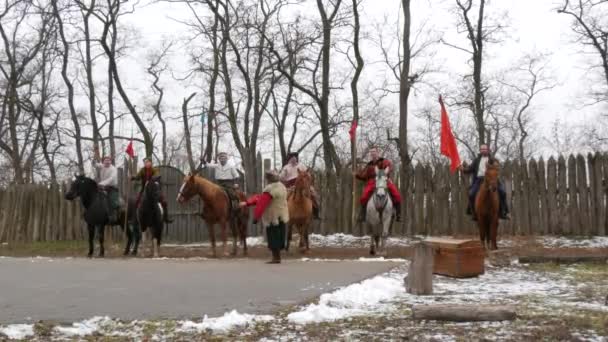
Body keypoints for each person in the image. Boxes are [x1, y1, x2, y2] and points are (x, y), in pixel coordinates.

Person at [240, 170, 289, 264]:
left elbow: (262, 203)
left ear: (268, 179)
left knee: (273, 237)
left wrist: (256, 217)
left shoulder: (270, 189)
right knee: (279, 236)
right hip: (281, 215)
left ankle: (276, 258)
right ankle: (277, 257)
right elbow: (260, 198)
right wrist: (247, 203)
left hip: (272, 216)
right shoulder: (282, 186)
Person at [460, 144, 510, 220]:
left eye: (485, 149)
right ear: (480, 151)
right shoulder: (476, 160)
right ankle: (474, 213)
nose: (483, 150)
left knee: (503, 192)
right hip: (479, 180)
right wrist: (463, 169)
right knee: (471, 194)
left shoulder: (493, 159)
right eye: (482, 149)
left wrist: (494, 166)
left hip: (492, 180)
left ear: (488, 150)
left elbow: (497, 168)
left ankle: (503, 212)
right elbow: (470, 169)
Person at [355, 147, 402, 222]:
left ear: (377, 153)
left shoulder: (383, 161)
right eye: (371, 152)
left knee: (396, 194)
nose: (372, 153)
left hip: (383, 178)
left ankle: (398, 214)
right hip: (372, 181)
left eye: (374, 152)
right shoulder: (369, 165)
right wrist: (357, 175)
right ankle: (363, 215)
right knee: (364, 196)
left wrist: (386, 172)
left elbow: (389, 166)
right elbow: (364, 176)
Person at [279, 152, 320, 219]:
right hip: (290, 186)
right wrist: (283, 174)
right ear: (290, 159)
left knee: (313, 194)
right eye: (292, 158)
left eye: (294, 158)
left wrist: (307, 176)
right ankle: (282, 214)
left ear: (296, 159)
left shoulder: (301, 166)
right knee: (284, 197)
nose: (293, 160)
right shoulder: (286, 167)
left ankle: (316, 212)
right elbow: (281, 177)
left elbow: (308, 175)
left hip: (303, 185)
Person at [132, 157, 173, 223]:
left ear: (150, 163)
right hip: (144, 189)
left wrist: (153, 178)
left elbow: (157, 174)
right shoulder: (142, 170)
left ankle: (166, 217)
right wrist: (133, 177)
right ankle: (135, 218)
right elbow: (138, 177)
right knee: (136, 201)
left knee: (164, 202)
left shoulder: (154, 170)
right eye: (145, 163)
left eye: (148, 162)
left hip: (154, 190)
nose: (146, 164)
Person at [94, 156, 119, 223]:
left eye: (108, 160)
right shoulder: (102, 166)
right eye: (105, 160)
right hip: (103, 187)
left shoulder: (113, 169)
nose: (107, 162)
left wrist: (101, 183)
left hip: (112, 188)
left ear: (110, 162)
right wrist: (94, 162)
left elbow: (111, 179)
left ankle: (113, 216)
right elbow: (97, 165)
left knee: (112, 201)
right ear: (103, 162)